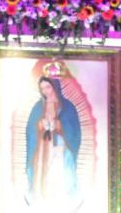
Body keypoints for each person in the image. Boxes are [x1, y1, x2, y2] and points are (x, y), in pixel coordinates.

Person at [26, 72, 82, 204]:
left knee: (58, 169)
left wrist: (59, 125)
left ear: (54, 86)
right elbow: (30, 129)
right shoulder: (38, 107)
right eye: (42, 88)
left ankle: (62, 199)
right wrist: (40, 124)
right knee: (43, 170)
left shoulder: (67, 107)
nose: (46, 91)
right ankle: (41, 199)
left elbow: (74, 129)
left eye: (48, 87)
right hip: (42, 147)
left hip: (61, 145)